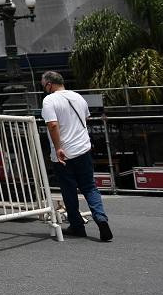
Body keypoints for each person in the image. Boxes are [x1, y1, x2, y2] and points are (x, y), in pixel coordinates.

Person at [40, 70, 112, 241]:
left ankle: (77, 226)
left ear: (49, 84)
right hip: (83, 149)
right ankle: (101, 219)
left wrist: (58, 148)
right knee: (89, 187)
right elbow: (84, 119)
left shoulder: (49, 100)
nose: (44, 88)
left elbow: (52, 125)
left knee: (69, 190)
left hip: (64, 153)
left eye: (43, 86)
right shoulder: (78, 97)